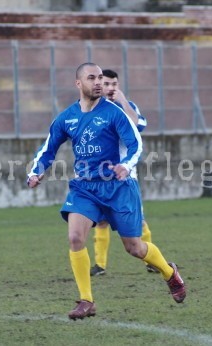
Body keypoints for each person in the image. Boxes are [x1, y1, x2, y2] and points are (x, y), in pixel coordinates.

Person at [27, 62, 186, 320]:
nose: (98, 82)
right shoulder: (66, 117)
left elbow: (136, 144)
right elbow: (48, 148)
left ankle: (170, 273)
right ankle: (86, 301)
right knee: (76, 238)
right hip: (85, 188)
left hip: (118, 187)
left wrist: (125, 165)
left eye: (101, 77)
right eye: (92, 78)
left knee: (134, 248)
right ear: (79, 83)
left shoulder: (114, 113)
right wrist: (36, 171)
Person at [90, 68, 159, 276]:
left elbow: (137, 125)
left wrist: (123, 101)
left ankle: (151, 261)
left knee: (138, 221)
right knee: (101, 220)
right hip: (99, 176)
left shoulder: (128, 107)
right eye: (107, 84)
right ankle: (100, 265)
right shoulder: (92, 108)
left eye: (114, 85)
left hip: (124, 175)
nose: (110, 88)